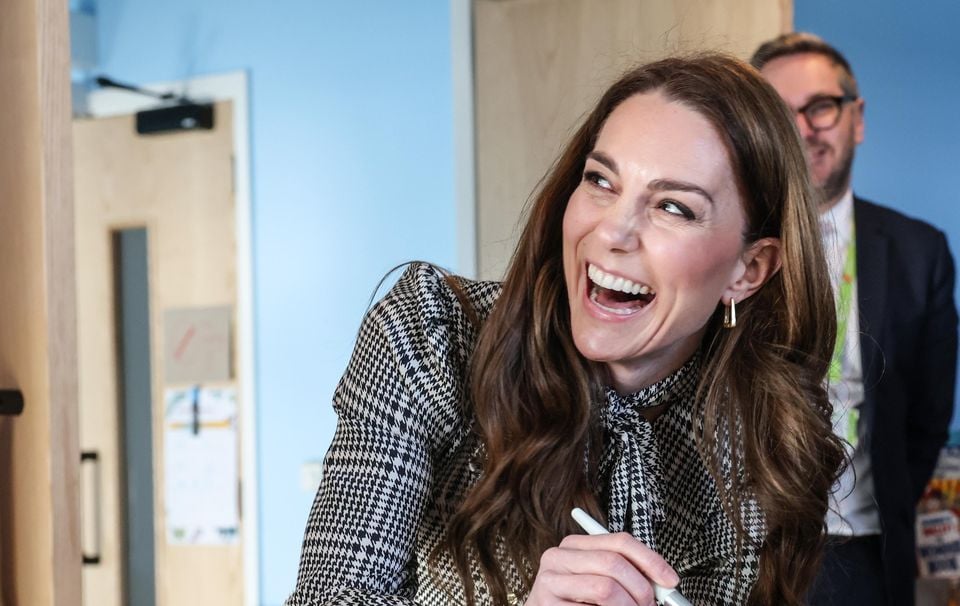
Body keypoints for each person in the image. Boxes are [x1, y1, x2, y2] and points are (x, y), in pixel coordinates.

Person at [286, 54, 845, 606]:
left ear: (748, 270)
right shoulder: (433, 336)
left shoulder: (771, 433)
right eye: (601, 180)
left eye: (673, 207)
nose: (613, 231)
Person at [752, 33, 959, 606]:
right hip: (749, 544)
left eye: (819, 106)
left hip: (869, 549)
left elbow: (928, 416)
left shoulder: (922, 252)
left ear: (856, 118)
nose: (803, 127)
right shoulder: (724, 247)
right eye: (780, 112)